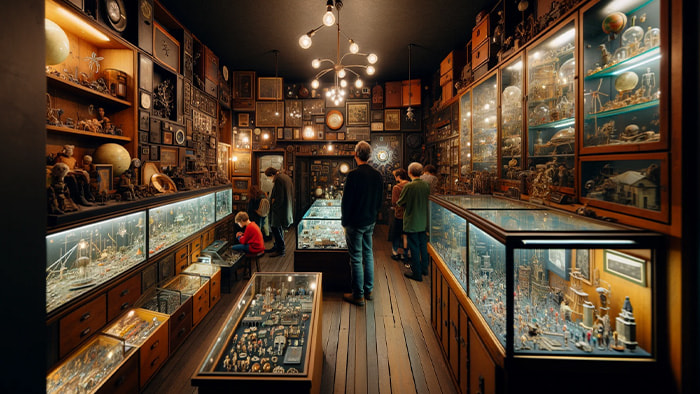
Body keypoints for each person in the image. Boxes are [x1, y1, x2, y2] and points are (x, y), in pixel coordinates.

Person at [341, 141, 383, 306]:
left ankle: (358, 295)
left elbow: (347, 201)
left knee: (356, 258)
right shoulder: (377, 174)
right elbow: (380, 201)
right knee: (368, 254)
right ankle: (369, 291)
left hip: (355, 222)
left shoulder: (353, 174)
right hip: (369, 221)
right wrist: (374, 215)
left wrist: (344, 221)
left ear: (355, 154)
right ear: (370, 156)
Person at [397, 162, 430, 281]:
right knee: (423, 246)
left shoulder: (408, 186)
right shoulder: (426, 185)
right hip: (423, 221)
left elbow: (400, 202)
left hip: (411, 221)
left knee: (414, 248)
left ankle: (416, 274)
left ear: (410, 172)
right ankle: (425, 269)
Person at [264, 167, 293, 257]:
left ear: (271, 175)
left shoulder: (279, 179)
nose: (270, 179)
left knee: (275, 228)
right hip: (285, 207)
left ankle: (280, 249)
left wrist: (274, 206)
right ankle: (277, 246)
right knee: (278, 228)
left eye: (269, 177)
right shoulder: (285, 177)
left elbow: (280, 197)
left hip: (279, 209)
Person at [390, 168, 410, 261]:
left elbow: (394, 202)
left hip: (399, 214)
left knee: (396, 235)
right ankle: (405, 254)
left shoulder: (396, 187)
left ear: (398, 177)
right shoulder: (411, 185)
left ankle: (395, 252)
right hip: (409, 214)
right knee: (406, 235)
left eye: (395, 176)